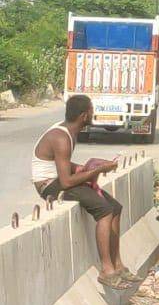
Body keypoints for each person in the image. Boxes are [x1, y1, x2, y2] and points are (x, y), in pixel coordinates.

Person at [31, 94, 136, 289]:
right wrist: (96, 171)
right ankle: (106, 270)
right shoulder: (62, 137)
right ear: (84, 116)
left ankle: (118, 265)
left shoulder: (69, 131)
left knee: (116, 207)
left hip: (59, 179)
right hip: (49, 185)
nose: (93, 114)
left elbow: (62, 163)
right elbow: (66, 181)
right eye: (91, 111)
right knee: (104, 210)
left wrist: (84, 167)